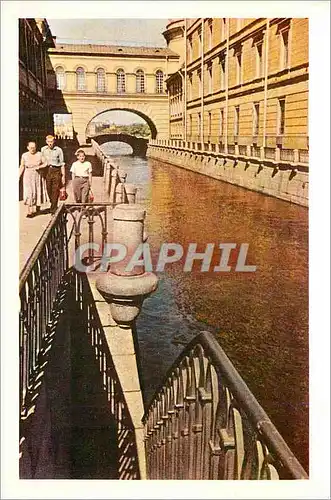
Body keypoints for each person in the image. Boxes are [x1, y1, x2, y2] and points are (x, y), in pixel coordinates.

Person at [19, 141, 48, 218]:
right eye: (31, 147)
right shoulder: (24, 155)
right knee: (29, 192)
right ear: (28, 147)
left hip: (37, 175)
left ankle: (37, 208)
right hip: (28, 175)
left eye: (34, 147)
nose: (32, 149)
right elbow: (22, 166)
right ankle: (29, 211)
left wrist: (40, 167)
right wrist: (18, 176)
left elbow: (46, 163)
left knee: (37, 191)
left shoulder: (39, 154)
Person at [41, 135, 65, 214]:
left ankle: (53, 209)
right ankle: (53, 203)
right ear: (46, 142)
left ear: (54, 141)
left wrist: (63, 176)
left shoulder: (59, 150)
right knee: (48, 189)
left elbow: (62, 163)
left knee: (55, 189)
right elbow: (41, 160)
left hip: (56, 170)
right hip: (47, 171)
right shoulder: (43, 150)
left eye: (51, 141)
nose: (50, 143)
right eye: (48, 142)